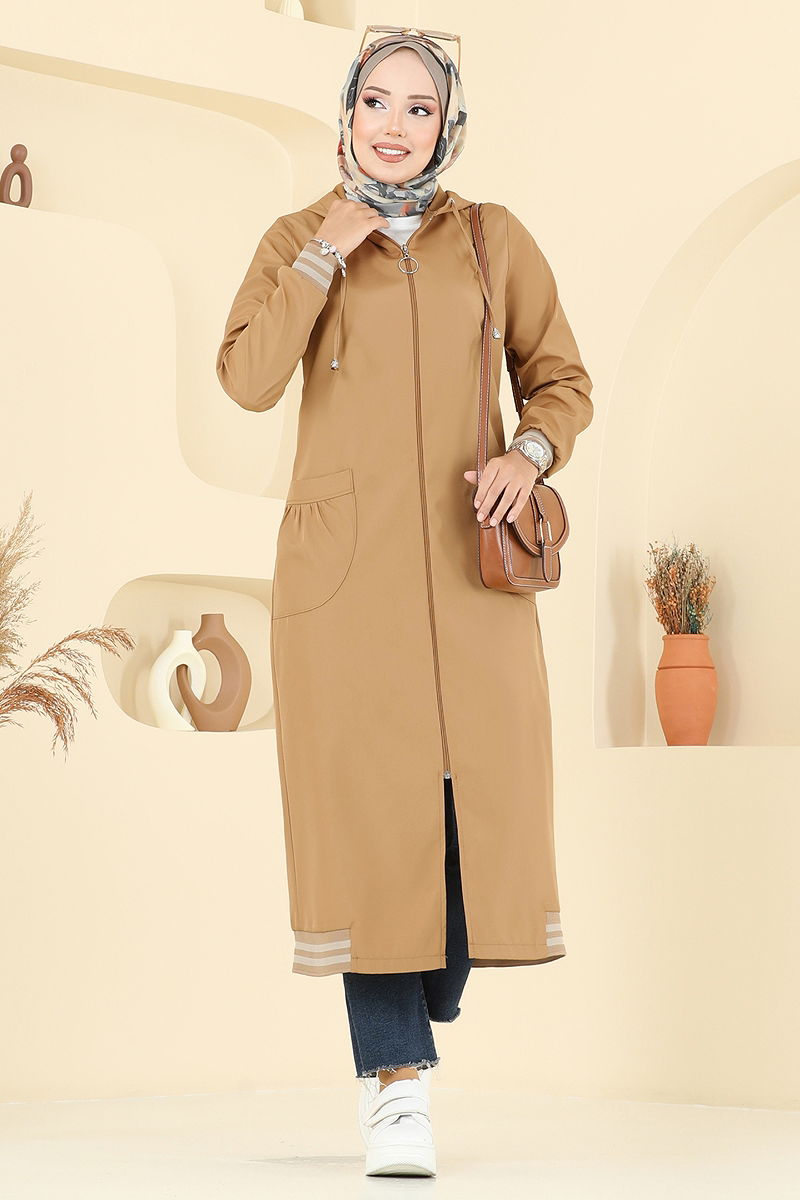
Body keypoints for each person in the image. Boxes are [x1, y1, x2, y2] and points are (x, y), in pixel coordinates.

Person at [216, 26, 594, 1178]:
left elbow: (560, 378)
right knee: (367, 829)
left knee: (473, 820)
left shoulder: (490, 239)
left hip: (470, 575)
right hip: (342, 583)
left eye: (417, 108)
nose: (392, 124)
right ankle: (394, 1087)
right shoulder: (293, 237)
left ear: (446, 126)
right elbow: (246, 378)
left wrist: (529, 451)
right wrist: (324, 253)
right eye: (374, 101)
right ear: (345, 114)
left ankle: (426, 986)